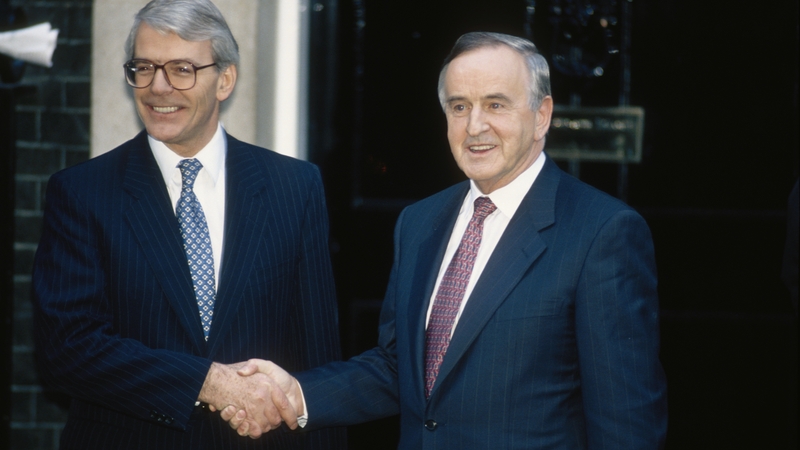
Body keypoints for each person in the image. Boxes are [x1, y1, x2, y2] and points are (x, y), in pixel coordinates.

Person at [223, 31, 668, 449]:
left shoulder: (602, 233)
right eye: (459, 107)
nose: (475, 126)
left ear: (542, 116)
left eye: (495, 105)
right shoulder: (419, 222)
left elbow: (625, 424)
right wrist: (296, 395)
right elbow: (400, 368)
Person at [32, 0, 345, 448]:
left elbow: (318, 362)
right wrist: (207, 382)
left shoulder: (294, 187)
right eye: (144, 67)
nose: (159, 87)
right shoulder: (81, 192)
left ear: (225, 79)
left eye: (181, 69)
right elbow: (68, 350)